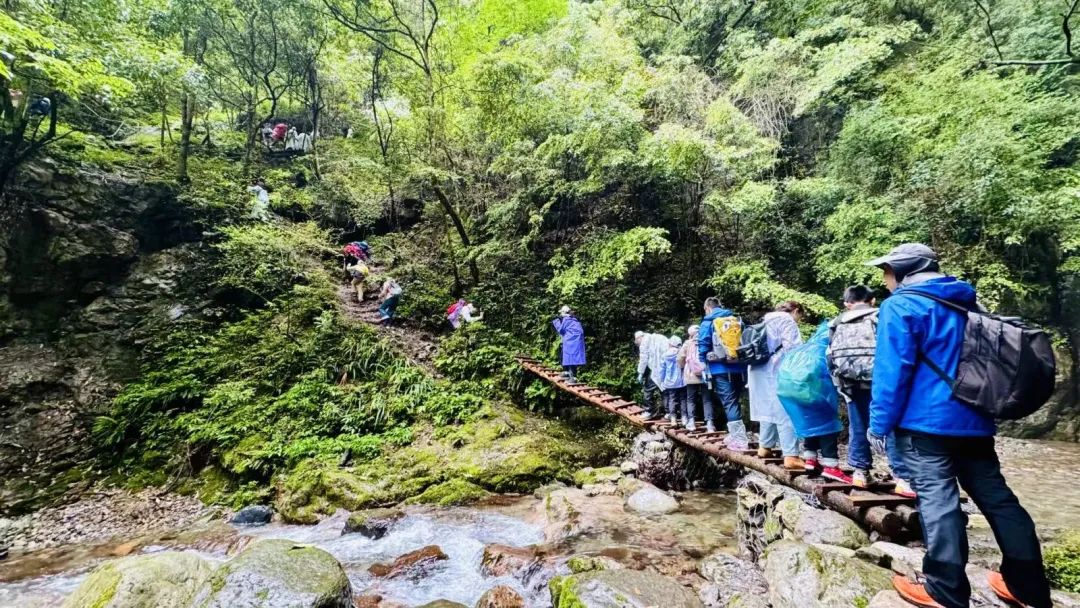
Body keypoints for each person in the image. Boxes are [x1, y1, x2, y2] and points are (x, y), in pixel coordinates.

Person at [865, 243, 1051, 608]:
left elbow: (892, 373)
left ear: (905, 271)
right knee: (999, 501)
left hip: (925, 424)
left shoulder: (901, 305)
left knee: (939, 502)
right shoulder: (965, 300)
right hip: (975, 419)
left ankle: (945, 590)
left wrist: (878, 426)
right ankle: (1027, 587)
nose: (884, 279)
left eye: (886, 271)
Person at [827, 285, 914, 496]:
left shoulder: (836, 322)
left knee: (858, 426)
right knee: (893, 426)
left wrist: (840, 385)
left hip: (850, 383)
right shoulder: (879, 316)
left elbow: (829, 356)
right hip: (880, 382)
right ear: (872, 300)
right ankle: (902, 478)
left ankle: (860, 472)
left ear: (846, 303)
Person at [747, 301, 805, 470]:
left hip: (757, 369)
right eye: (800, 317)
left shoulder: (765, 320)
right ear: (795, 310)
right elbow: (793, 349)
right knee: (786, 409)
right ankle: (791, 455)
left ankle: (765, 446)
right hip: (776, 370)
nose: (799, 320)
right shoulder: (787, 320)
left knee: (768, 409)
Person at [698, 297, 749, 443]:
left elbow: (703, 344)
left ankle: (739, 439)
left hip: (720, 368)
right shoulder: (736, 320)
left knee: (729, 402)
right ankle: (737, 434)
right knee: (736, 400)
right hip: (740, 367)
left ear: (707, 308)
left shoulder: (708, 322)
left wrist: (703, 362)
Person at [677, 325, 709, 431]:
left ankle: (691, 422)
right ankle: (710, 423)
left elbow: (680, 358)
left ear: (690, 333)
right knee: (707, 399)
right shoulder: (706, 340)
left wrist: (683, 367)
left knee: (691, 399)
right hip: (705, 374)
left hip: (691, 374)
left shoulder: (687, 343)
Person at [635, 331, 669, 420]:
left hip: (656, 369)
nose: (638, 344)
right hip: (665, 368)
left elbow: (643, 359)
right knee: (664, 390)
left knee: (647, 389)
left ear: (639, 338)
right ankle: (669, 412)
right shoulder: (659, 337)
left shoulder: (644, 342)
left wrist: (640, 373)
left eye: (637, 341)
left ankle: (648, 411)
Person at [552, 306, 585, 383]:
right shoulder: (575, 320)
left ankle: (573, 377)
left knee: (571, 359)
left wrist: (556, 321)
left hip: (571, 342)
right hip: (574, 342)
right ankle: (567, 373)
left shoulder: (566, 320)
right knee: (567, 356)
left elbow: (561, 330)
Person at [659, 335, 686, 425]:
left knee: (672, 399)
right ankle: (684, 418)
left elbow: (662, 369)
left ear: (670, 344)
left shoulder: (665, 355)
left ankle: (673, 419)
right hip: (682, 381)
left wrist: (662, 380)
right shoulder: (682, 353)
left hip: (669, 382)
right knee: (683, 399)